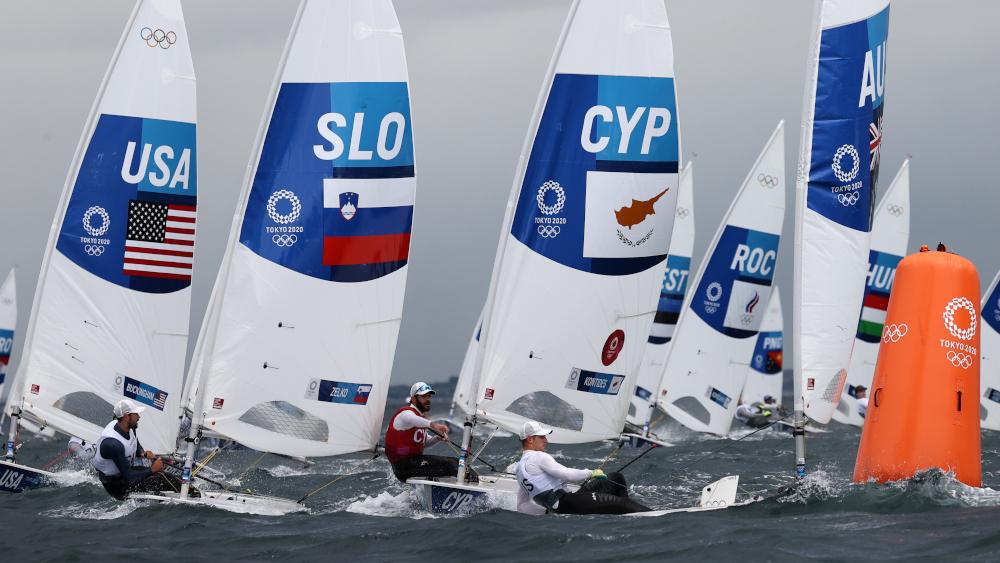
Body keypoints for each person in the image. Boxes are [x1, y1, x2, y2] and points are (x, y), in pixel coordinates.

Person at [515, 421, 650, 515]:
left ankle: (627, 514)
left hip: (567, 502)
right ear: (530, 439)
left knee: (616, 478)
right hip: (567, 505)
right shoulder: (538, 457)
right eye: (542, 436)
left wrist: (548, 512)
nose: (546, 440)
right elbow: (569, 476)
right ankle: (648, 514)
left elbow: (522, 506)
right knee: (622, 503)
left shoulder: (519, 469)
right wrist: (590, 473)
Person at [92, 399, 196, 500]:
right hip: (116, 486)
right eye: (136, 414)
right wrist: (152, 469)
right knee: (160, 477)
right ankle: (193, 495)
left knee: (168, 475)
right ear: (126, 416)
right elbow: (129, 477)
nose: (139, 417)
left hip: (126, 473)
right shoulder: (113, 443)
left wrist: (142, 453)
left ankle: (189, 488)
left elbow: (134, 443)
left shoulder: (129, 427)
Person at [385, 382, 459, 482]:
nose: (428, 399)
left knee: (457, 464)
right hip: (403, 465)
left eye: (429, 396)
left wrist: (437, 438)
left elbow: (424, 442)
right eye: (424, 396)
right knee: (452, 464)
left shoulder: (421, 417)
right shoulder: (406, 413)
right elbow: (410, 418)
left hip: (414, 463)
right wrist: (434, 425)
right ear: (414, 399)